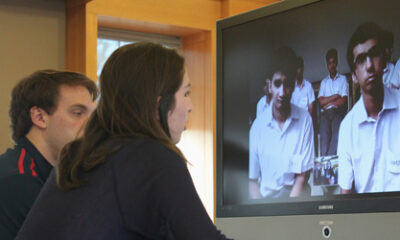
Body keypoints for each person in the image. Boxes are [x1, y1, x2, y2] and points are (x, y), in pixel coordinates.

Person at [16, 42, 231, 240]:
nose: (191, 106)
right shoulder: (153, 159)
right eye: (186, 93)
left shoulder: (77, 155)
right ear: (158, 106)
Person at [0, 70, 97, 239]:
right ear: (39, 117)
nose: (92, 125)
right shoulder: (17, 180)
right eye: (78, 113)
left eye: (92, 115)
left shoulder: (59, 173)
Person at [338, 22, 400, 194]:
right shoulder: (347, 128)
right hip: (364, 219)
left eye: (374, 55)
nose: (369, 66)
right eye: (361, 60)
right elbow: (346, 195)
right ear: (354, 76)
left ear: (385, 59)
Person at [249, 47, 314, 199]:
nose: (283, 92)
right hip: (267, 204)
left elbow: (301, 178)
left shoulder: (305, 120)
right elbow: (252, 183)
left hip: (296, 201)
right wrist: (262, 217)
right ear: (269, 86)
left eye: (288, 84)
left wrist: (286, 215)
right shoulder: (257, 128)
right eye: (277, 84)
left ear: (293, 86)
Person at [318, 48, 349, 156]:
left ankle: (330, 163)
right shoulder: (323, 82)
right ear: (327, 65)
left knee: (335, 139)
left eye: (333, 62)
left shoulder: (343, 79)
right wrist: (335, 96)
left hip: (337, 112)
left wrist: (330, 103)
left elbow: (343, 101)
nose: (331, 66)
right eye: (329, 63)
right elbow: (321, 102)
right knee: (324, 143)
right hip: (325, 114)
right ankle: (323, 164)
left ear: (336, 63)